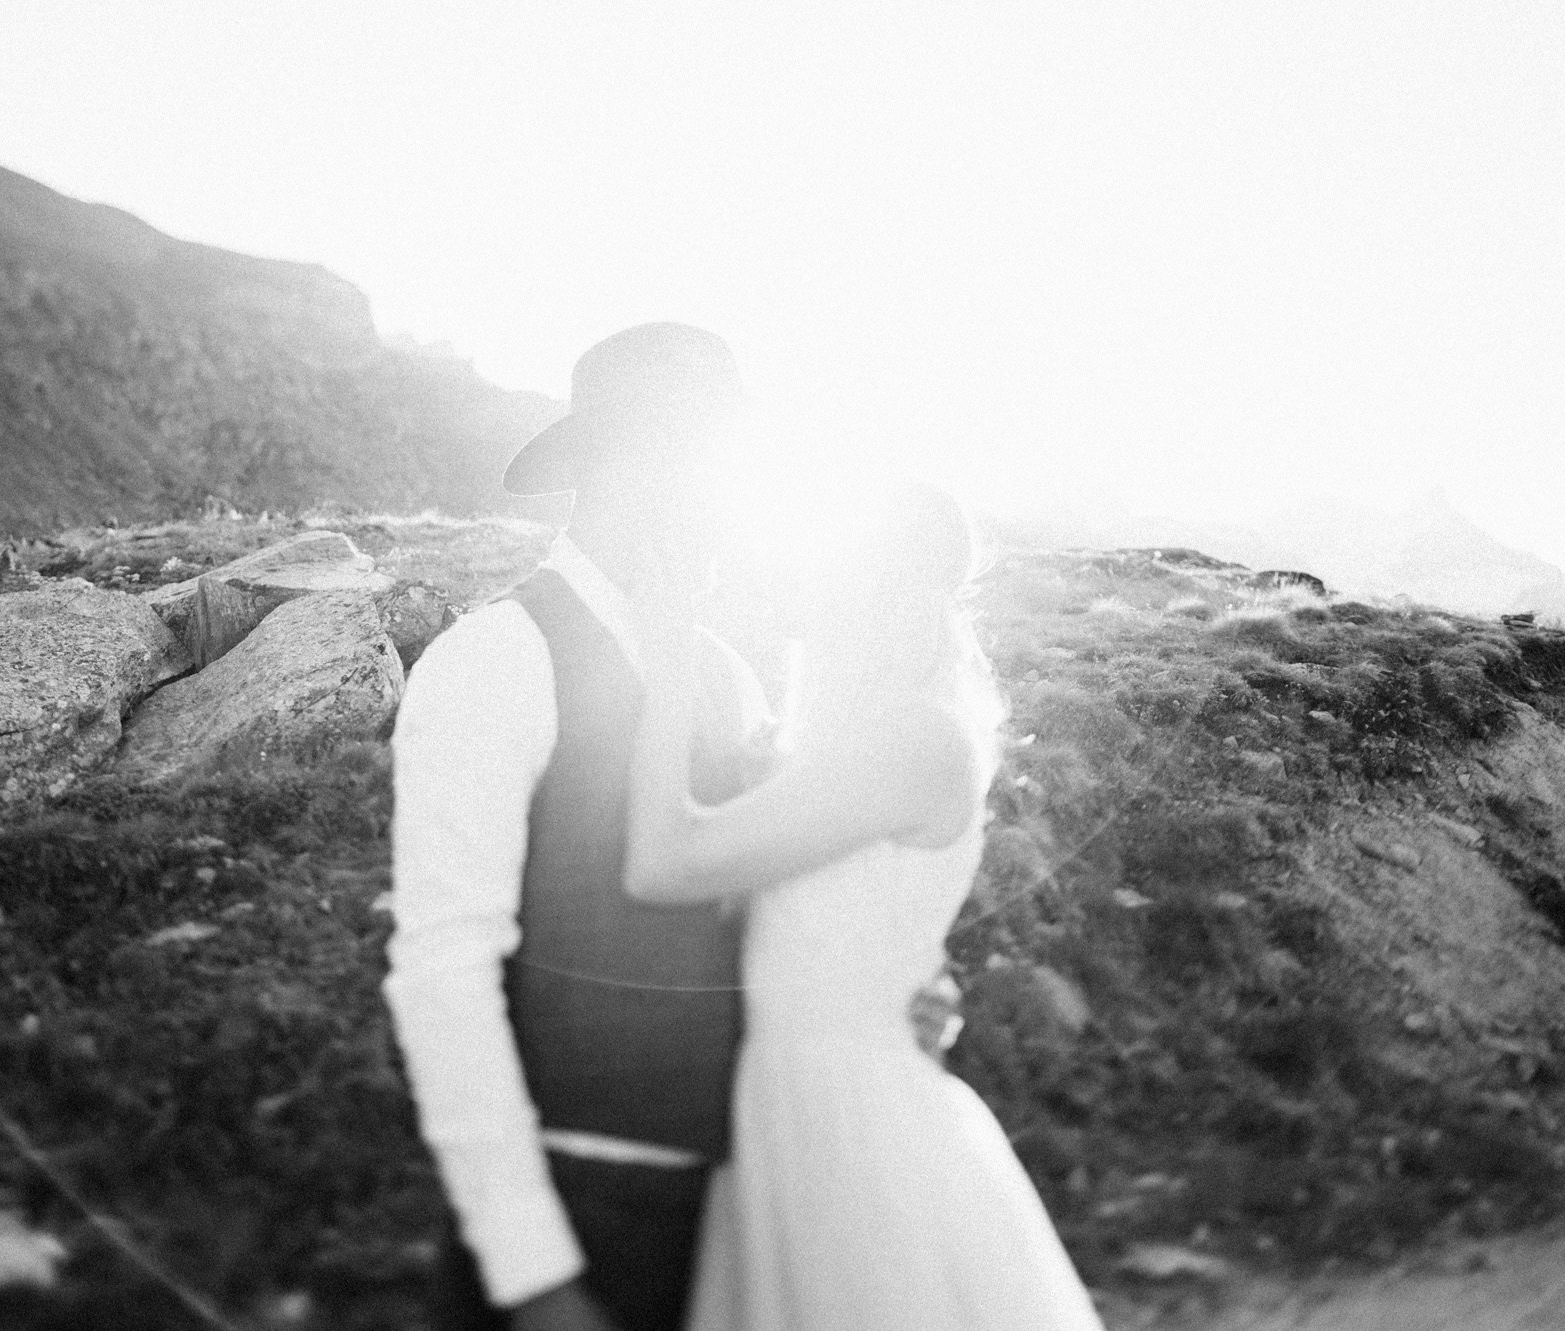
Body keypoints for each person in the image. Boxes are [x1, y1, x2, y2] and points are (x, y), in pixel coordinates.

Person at [622, 484, 1108, 1331]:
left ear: (874, 588)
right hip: (794, 1101)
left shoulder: (908, 741)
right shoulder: (858, 741)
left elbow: (668, 863)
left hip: (850, 1120)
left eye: (823, 575)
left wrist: (663, 653)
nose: (803, 600)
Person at [383, 323, 777, 1331]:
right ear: (616, 463)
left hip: (736, 1217)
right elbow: (443, 970)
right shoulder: (497, 657)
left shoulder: (726, 676)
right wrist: (532, 1271)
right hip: (574, 1214)